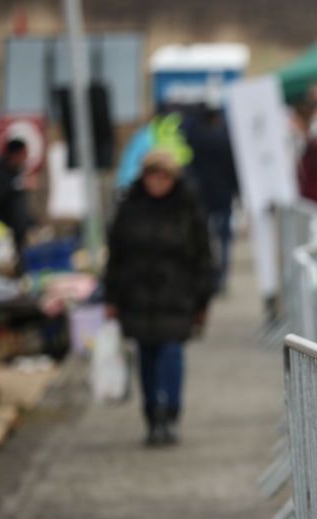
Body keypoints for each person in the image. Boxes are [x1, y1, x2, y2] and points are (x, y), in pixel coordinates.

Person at [104, 150, 214, 447]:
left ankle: (171, 413)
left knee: (171, 354)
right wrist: (111, 297)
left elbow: (203, 255)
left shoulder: (187, 209)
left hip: (177, 298)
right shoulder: (129, 207)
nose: (157, 182)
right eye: (152, 175)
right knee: (146, 358)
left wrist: (203, 299)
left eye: (163, 176)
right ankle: (152, 415)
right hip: (137, 298)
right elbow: (116, 255)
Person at [184, 105, 239, 294]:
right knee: (223, 239)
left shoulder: (196, 140)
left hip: (202, 195)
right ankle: (221, 276)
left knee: (204, 239)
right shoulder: (225, 141)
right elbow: (233, 170)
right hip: (223, 195)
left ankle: (209, 276)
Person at [0, 139, 32, 270]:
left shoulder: (16, 172)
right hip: (1, 234)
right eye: (24, 154)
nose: (25, 158)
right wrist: (16, 187)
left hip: (17, 234)